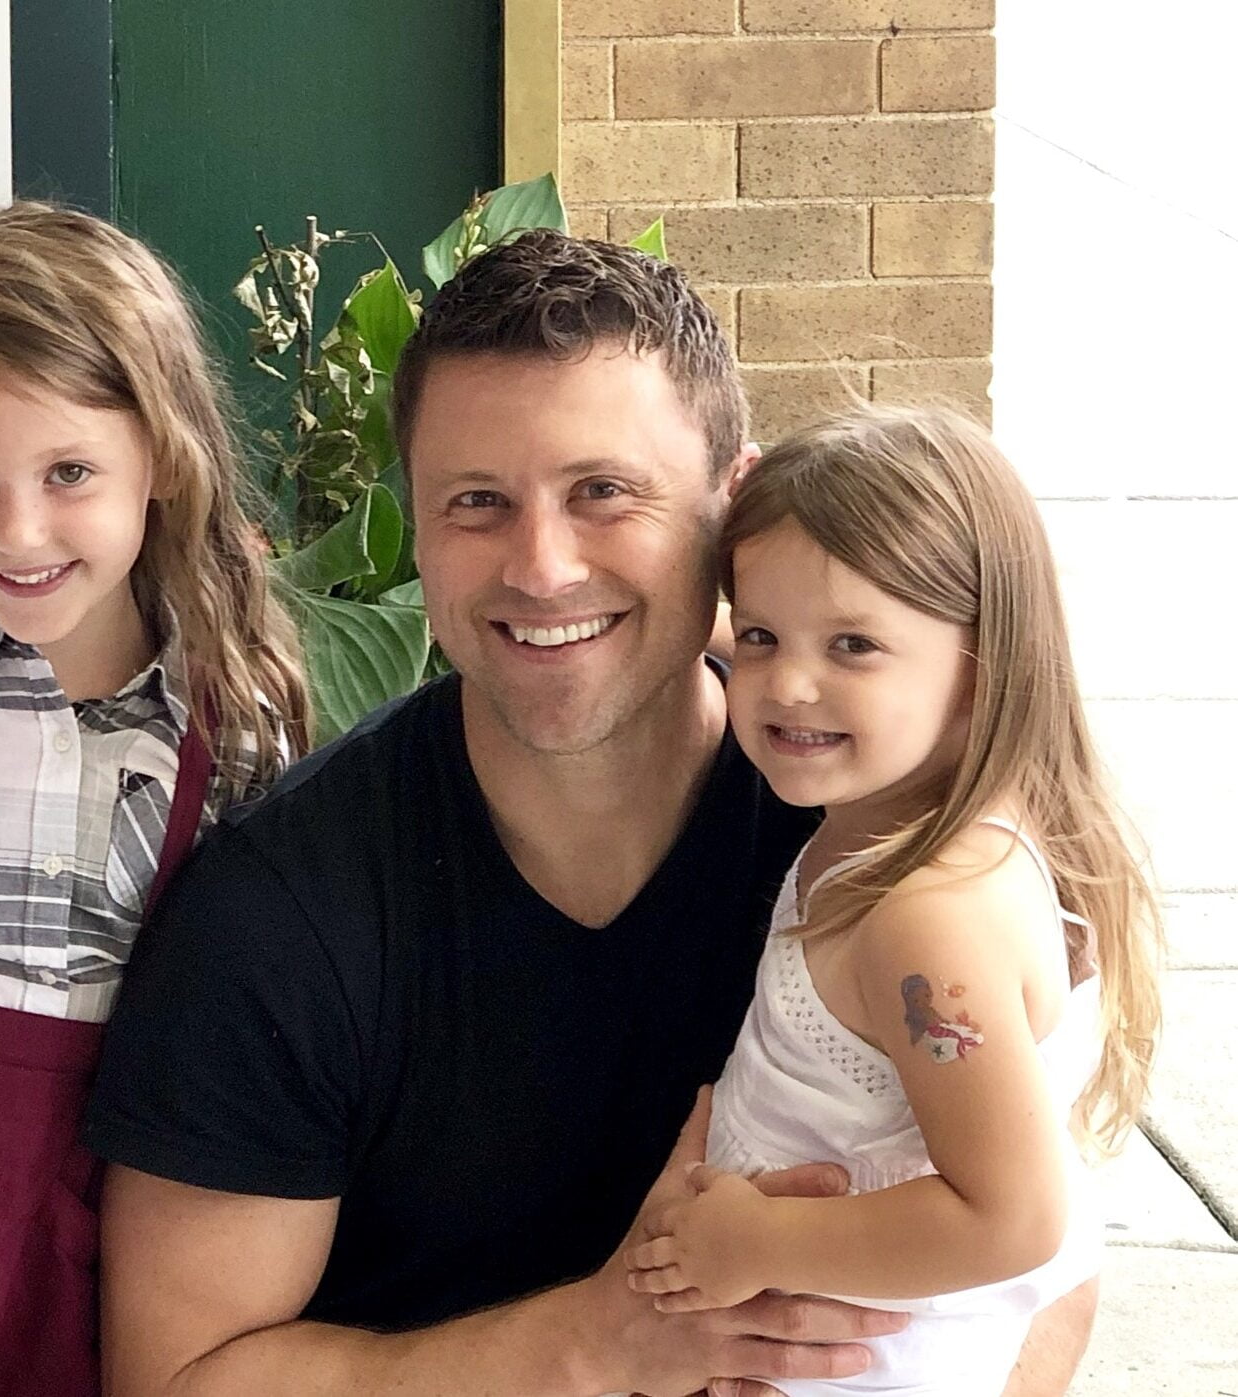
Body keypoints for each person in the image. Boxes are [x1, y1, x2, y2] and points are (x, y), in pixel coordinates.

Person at [81, 231, 1098, 1396]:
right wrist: (593, 1344)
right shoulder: (283, 920)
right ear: (413, 520)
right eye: (476, 502)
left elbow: (1053, 1270)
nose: (544, 565)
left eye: (604, 492)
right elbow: (178, 1380)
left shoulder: (883, 828)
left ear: (733, 507)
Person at [0, 203, 310, 1397]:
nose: (20, 528)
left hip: (115, 1218)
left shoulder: (237, 710)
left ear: (162, 455)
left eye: (71, 471)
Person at [623, 405, 1161, 1396]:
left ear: (980, 658)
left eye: (854, 646)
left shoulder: (928, 922)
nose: (787, 682)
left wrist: (757, 1238)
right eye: (761, 634)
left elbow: (1012, 1214)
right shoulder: (943, 807)